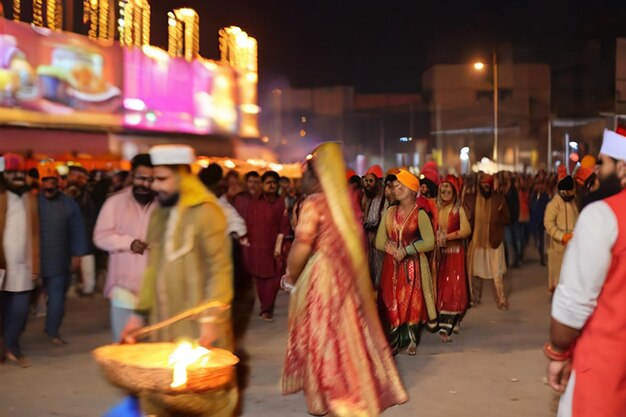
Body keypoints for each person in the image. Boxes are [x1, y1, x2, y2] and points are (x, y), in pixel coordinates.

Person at [281, 143, 408, 417]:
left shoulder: (314, 204)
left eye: (306, 173)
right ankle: (354, 385)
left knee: (320, 335)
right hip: (346, 275)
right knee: (348, 333)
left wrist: (291, 276)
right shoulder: (344, 202)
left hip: (321, 277)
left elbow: (302, 245)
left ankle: (321, 398)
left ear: (316, 176)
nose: (303, 178)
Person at [121, 145, 234, 350]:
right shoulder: (158, 214)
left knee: (200, 378)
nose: (155, 186)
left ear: (184, 177)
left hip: (198, 323)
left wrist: (210, 319)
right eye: (154, 178)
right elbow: (152, 268)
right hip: (162, 320)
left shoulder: (206, 212)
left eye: (162, 179)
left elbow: (220, 269)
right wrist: (138, 316)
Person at [546, 128, 626, 416]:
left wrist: (558, 353)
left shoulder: (602, 215)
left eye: (602, 163)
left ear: (621, 166)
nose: (596, 172)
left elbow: (573, 303)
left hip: (608, 371)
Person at [93, 154, 156, 342]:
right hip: (123, 287)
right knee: (123, 344)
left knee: (153, 350)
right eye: (140, 178)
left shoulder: (162, 205)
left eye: (151, 180)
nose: (145, 184)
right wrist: (128, 243)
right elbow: (100, 237)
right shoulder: (115, 203)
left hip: (154, 289)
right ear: (132, 176)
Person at [375, 169, 437, 355]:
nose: (395, 188)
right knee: (391, 300)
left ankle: (411, 338)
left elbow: (429, 242)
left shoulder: (420, 214)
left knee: (411, 302)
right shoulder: (389, 212)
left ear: (412, 189)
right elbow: (378, 241)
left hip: (412, 267)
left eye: (399, 185)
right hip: (391, 265)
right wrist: (391, 248)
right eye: (394, 186)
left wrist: (408, 250)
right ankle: (393, 340)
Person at [38, 163, 88, 345]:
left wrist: (78, 254)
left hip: (55, 261)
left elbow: (78, 229)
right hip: (35, 262)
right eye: (47, 181)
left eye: (52, 181)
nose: (50, 185)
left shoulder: (68, 204)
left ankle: (52, 331)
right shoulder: (31, 202)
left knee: (57, 298)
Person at [0, 153, 40, 367]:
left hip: (24, 264)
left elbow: (36, 233)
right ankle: (5, 349)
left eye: (20, 173)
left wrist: (37, 262)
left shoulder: (31, 197)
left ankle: (12, 347)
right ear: (4, 174)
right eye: (12, 172)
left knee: (20, 309)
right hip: (1, 263)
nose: (16, 176)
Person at [244, 170, 290, 322]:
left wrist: (278, 246)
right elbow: (248, 223)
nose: (271, 186)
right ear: (262, 185)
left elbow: (284, 226)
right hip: (257, 247)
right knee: (260, 279)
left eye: (274, 183)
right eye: (268, 183)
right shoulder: (254, 203)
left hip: (274, 248)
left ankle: (267, 309)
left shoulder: (281, 202)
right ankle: (265, 306)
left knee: (274, 278)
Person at [465, 173, 511, 310]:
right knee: (475, 273)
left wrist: (496, 220)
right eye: (483, 185)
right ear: (479, 186)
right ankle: (474, 298)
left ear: (491, 187)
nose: (486, 188)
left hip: (494, 241)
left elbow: (507, 218)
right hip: (477, 241)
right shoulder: (472, 199)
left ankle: (501, 300)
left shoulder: (498, 199)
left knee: (497, 274)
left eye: (488, 186)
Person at [435, 175, 471, 342]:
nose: (445, 192)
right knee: (443, 287)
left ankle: (446, 327)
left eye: (448, 190)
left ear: (454, 192)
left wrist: (448, 237)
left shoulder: (458, 209)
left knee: (454, 287)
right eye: (442, 190)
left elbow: (466, 230)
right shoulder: (438, 209)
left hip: (455, 253)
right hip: (441, 254)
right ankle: (448, 321)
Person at [544, 168, 578, 293]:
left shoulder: (574, 202)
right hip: (559, 246)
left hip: (573, 245)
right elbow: (548, 224)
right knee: (559, 278)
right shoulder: (554, 204)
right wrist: (561, 236)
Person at [65, 165, 98, 296]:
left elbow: (92, 216)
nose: (76, 179)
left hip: (85, 233)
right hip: (71, 233)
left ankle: (87, 286)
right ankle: (76, 286)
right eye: (73, 175)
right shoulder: (66, 194)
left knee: (86, 260)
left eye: (79, 176)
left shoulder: (88, 195)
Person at [361, 165, 386, 288]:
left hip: (380, 241)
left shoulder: (384, 197)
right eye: (366, 181)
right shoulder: (367, 197)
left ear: (378, 182)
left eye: (371, 181)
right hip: (368, 241)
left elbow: (382, 219)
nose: (368, 184)